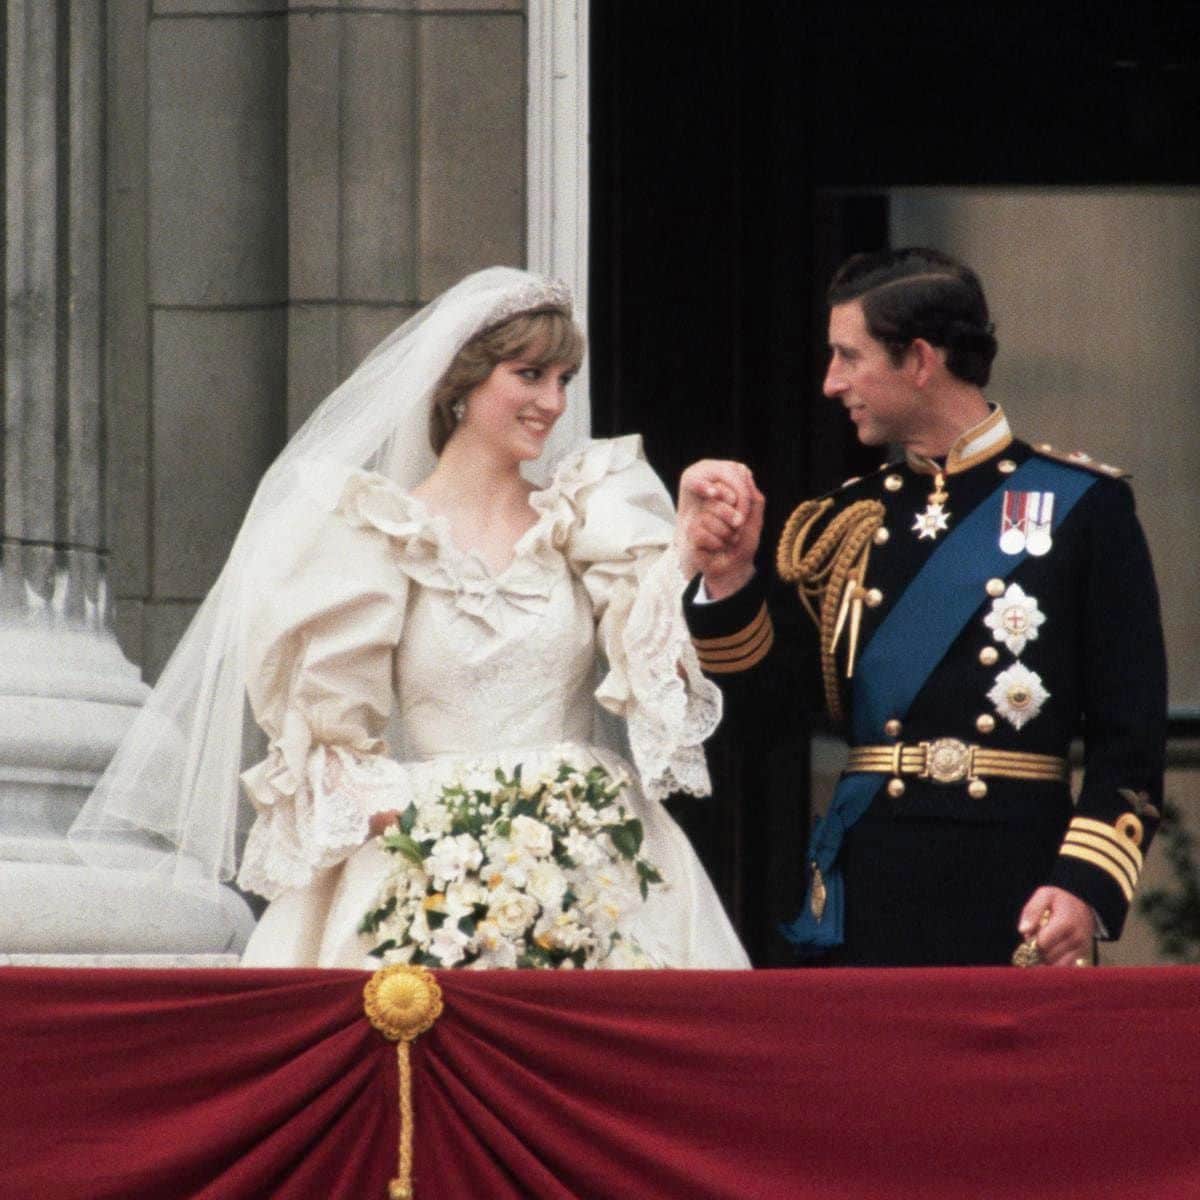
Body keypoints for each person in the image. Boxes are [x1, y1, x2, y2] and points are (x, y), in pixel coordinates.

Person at [72, 267, 749, 970]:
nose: (552, 401)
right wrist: (436, 838)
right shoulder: (370, 535)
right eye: (530, 375)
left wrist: (689, 555)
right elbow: (331, 744)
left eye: (562, 379)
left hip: (594, 854)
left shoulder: (584, 515)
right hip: (425, 860)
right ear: (462, 383)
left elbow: (654, 671)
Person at [677, 247, 1166, 967]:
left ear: (919, 360)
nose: (830, 381)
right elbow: (762, 720)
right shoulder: (845, 521)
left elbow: (1130, 736)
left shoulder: (1084, 509)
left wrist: (1084, 885)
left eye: (849, 356)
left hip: (1020, 888)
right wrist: (729, 578)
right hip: (871, 888)